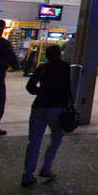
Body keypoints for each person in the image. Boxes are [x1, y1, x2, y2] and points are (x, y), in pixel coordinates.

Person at [22, 44, 72, 187]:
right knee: (56, 137)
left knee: (34, 141)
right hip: (56, 108)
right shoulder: (66, 68)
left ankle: (27, 175)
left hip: (38, 107)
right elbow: (72, 88)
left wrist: (41, 92)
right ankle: (46, 167)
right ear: (60, 54)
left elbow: (30, 87)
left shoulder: (42, 67)